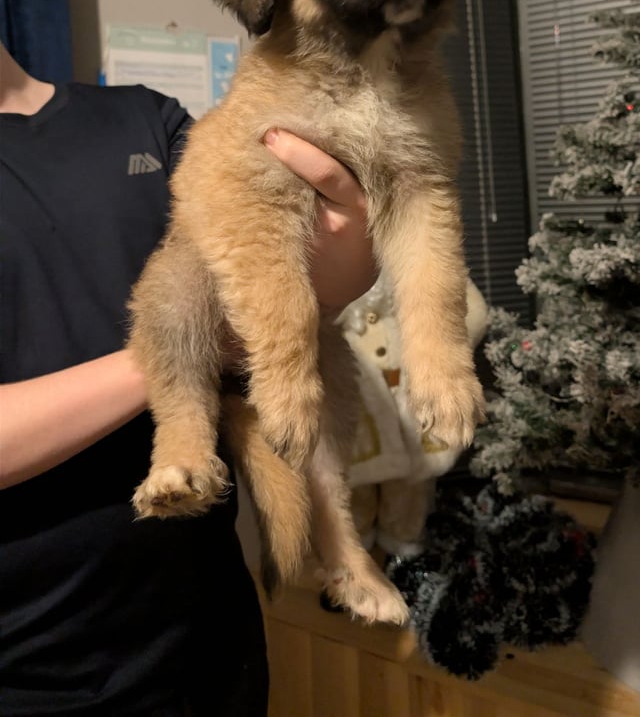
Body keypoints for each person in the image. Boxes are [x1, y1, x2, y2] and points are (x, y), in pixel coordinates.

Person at [0, 41, 377, 716]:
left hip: (207, 651)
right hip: (30, 676)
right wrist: (183, 353)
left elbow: (315, 285)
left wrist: (352, 231)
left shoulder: (147, 120)